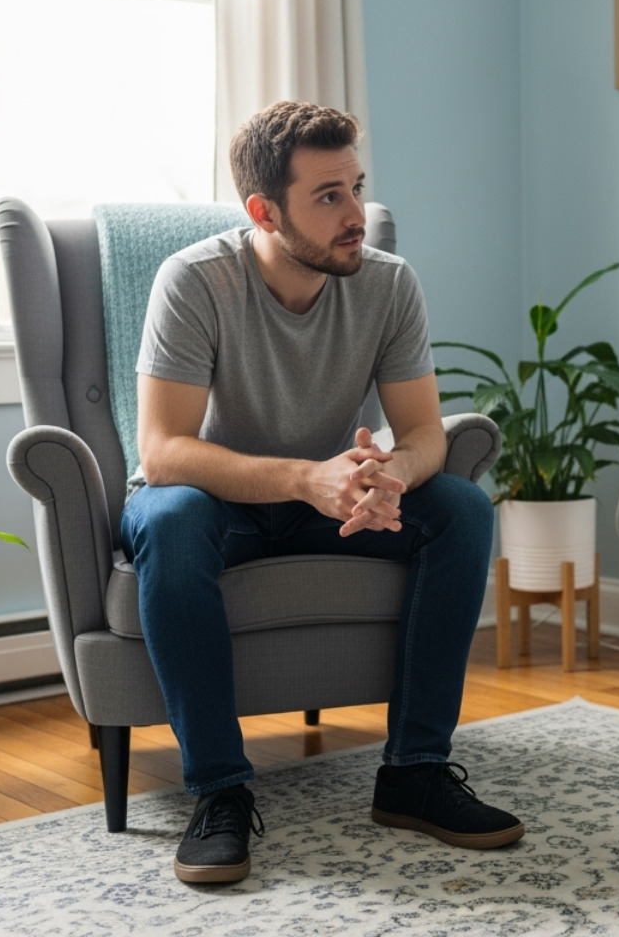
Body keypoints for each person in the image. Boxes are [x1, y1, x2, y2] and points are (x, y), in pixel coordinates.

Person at [120, 100, 522, 885]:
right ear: (264, 212)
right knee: (167, 520)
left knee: (462, 508)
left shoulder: (387, 284)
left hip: (334, 506)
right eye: (329, 196)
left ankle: (414, 771)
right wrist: (310, 478)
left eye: (357, 188)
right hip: (214, 508)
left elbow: (425, 435)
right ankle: (220, 793)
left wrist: (390, 476)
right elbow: (163, 452)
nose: (356, 215)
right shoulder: (195, 281)